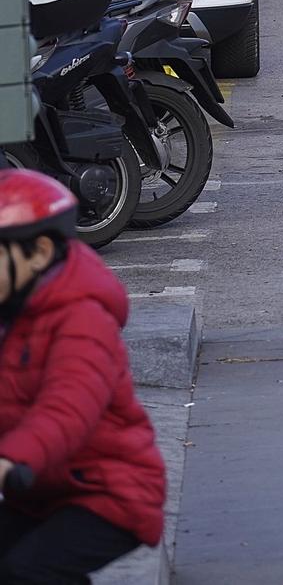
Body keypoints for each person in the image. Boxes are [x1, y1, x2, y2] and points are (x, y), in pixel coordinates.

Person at [0, 171, 166, 582]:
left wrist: (11, 459)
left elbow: (67, 408)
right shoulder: (10, 308)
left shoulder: (82, 318)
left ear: (38, 252)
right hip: (41, 489)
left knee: (26, 572)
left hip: (107, 491)